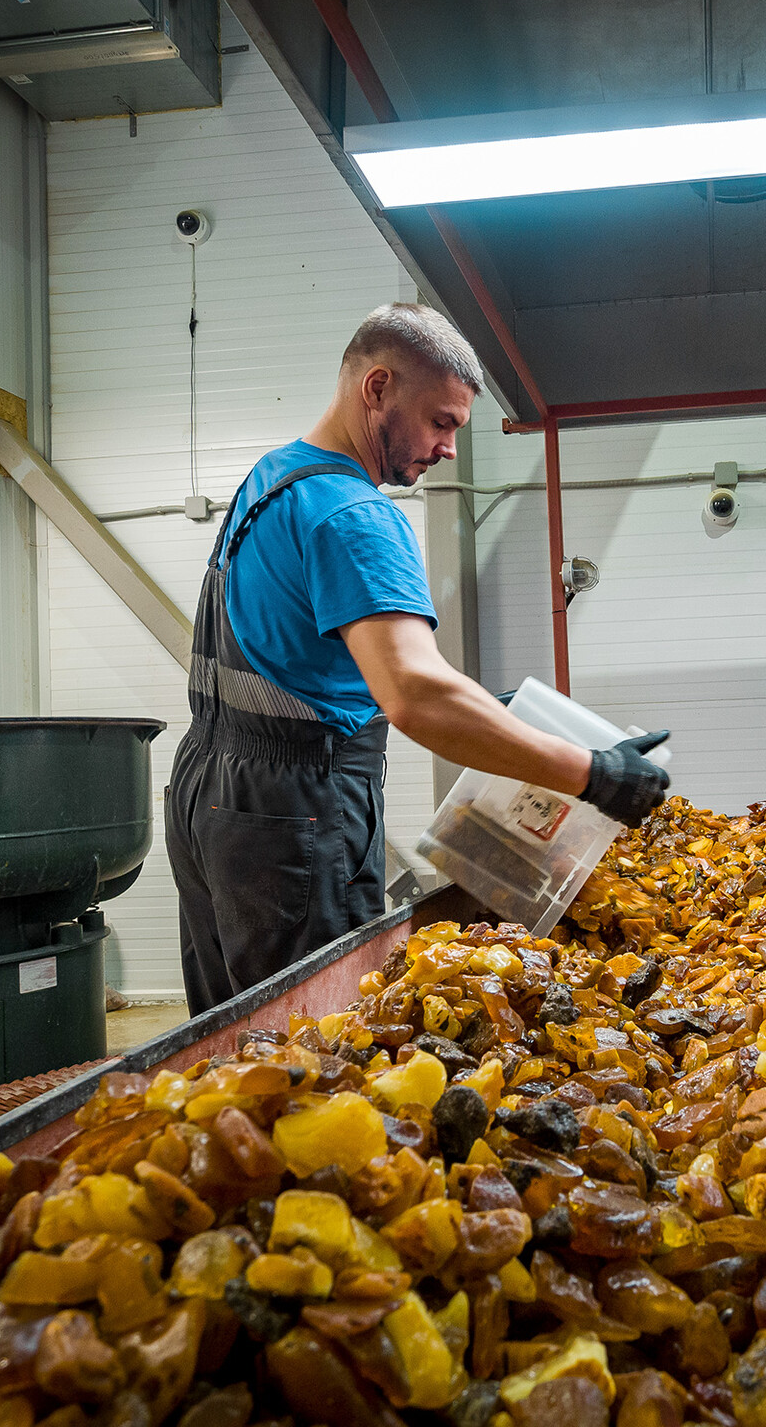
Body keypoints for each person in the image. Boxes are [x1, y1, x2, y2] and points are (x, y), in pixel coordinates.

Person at [167, 303, 669, 1014]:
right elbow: (413, 696)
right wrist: (594, 775)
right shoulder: (356, 516)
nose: (450, 449)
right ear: (377, 388)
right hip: (294, 815)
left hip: (211, 799)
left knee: (231, 1039)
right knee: (314, 1041)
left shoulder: (274, 480)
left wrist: (507, 720)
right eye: (442, 422)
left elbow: (314, 655)